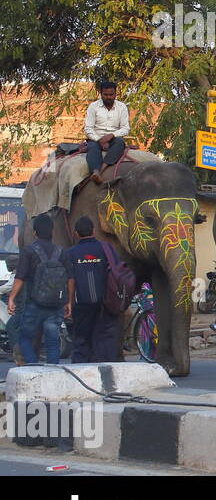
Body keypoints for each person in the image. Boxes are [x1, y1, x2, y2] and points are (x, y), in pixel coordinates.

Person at [7, 214, 67, 366]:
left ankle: (32, 367)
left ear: (34, 232)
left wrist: (11, 298)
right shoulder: (60, 252)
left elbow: (20, 276)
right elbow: (70, 278)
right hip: (55, 304)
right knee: (52, 341)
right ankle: (52, 371)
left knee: (25, 338)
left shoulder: (28, 251)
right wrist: (69, 301)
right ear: (52, 231)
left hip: (34, 303)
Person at [61, 217, 116, 363]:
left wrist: (69, 303)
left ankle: (80, 374)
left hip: (81, 304)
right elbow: (117, 271)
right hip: (105, 302)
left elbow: (69, 279)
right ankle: (107, 373)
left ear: (76, 234)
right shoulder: (106, 248)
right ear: (93, 231)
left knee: (81, 341)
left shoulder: (70, 253)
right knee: (104, 339)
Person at [84, 79, 131, 182]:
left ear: (115, 94)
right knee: (93, 148)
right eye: (105, 94)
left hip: (114, 138)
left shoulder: (122, 107)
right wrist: (100, 140)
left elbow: (125, 128)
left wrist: (111, 135)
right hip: (95, 138)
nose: (108, 97)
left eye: (111, 94)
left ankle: (101, 170)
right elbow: (88, 128)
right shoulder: (93, 107)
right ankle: (95, 171)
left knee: (119, 143)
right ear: (100, 94)